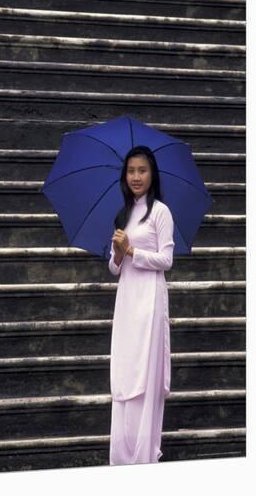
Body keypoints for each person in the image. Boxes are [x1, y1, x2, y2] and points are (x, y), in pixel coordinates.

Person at [108, 145, 175, 465]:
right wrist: (119, 252)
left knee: (144, 372)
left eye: (142, 170)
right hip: (127, 299)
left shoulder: (160, 212)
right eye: (131, 171)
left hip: (149, 298)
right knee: (125, 367)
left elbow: (167, 259)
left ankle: (143, 457)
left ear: (152, 174)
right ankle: (122, 456)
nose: (136, 176)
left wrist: (132, 251)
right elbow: (113, 267)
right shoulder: (122, 215)